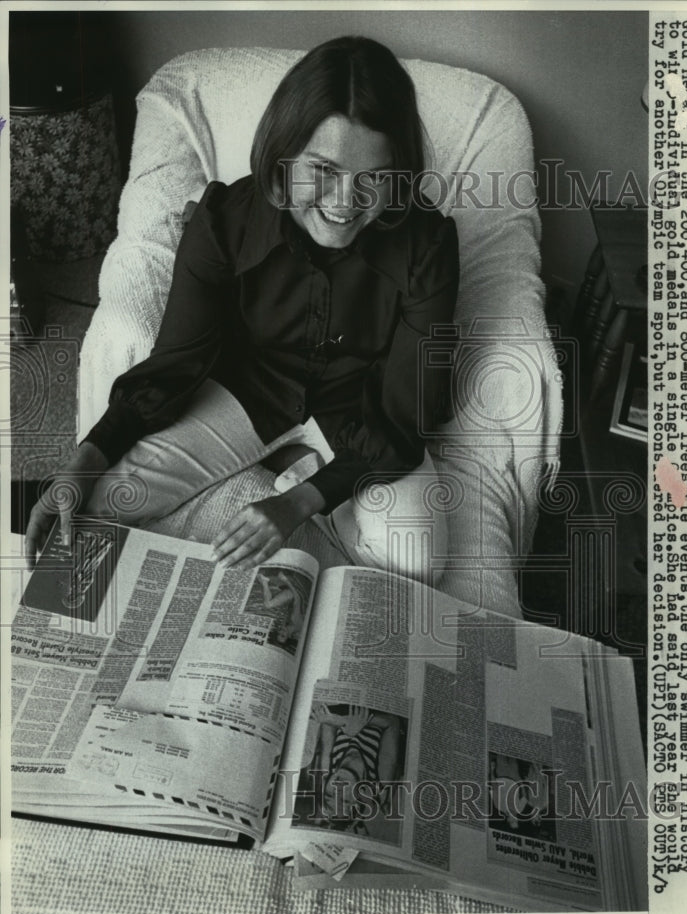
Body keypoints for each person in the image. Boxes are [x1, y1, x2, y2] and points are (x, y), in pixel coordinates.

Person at [25, 36, 459, 582]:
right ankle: (288, 471)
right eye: (323, 169)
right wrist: (83, 460)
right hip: (246, 393)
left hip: (360, 414)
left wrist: (297, 504)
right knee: (91, 514)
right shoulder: (222, 222)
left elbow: (407, 413)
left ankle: (301, 482)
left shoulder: (430, 246)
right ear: (283, 155)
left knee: (416, 559)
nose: (346, 201)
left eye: (374, 177)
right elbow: (175, 364)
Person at [308, 703, 402, 833]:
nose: (337, 788)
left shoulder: (328, 770)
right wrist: (347, 722)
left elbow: (327, 721)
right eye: (344, 799)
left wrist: (343, 722)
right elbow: (392, 723)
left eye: (329, 794)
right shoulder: (379, 781)